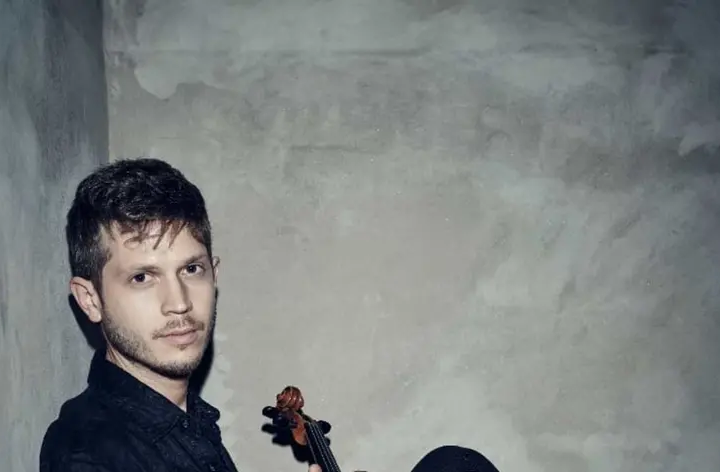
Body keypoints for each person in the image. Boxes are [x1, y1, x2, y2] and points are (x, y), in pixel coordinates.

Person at [39, 157, 499, 472]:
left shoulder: (190, 422)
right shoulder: (87, 453)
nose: (178, 302)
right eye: (143, 277)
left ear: (214, 274)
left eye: (192, 269)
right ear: (90, 299)